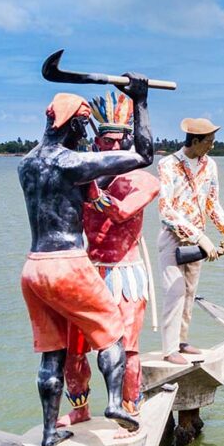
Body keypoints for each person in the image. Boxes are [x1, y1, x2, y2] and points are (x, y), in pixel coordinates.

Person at [16, 75, 151, 446]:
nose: (89, 135)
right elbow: (143, 155)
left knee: (51, 352)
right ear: (76, 124)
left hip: (33, 267)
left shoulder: (26, 164)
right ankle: (113, 404)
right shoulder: (71, 162)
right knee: (111, 332)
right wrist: (140, 100)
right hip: (68, 263)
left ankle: (48, 433)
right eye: (86, 126)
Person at [58, 92, 161, 428]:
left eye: (120, 142)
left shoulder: (143, 180)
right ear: (96, 144)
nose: (113, 148)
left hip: (125, 274)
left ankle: (130, 411)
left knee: (127, 349)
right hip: (88, 271)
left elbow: (119, 213)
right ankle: (80, 409)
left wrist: (90, 187)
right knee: (73, 349)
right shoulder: (82, 176)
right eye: (106, 141)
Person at [157, 118, 224, 364]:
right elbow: (165, 211)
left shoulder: (209, 165)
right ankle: (169, 350)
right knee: (175, 291)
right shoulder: (168, 165)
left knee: (189, 292)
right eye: (209, 142)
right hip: (174, 237)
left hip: (199, 241)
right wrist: (200, 237)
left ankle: (181, 341)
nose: (212, 146)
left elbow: (212, 205)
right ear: (195, 141)